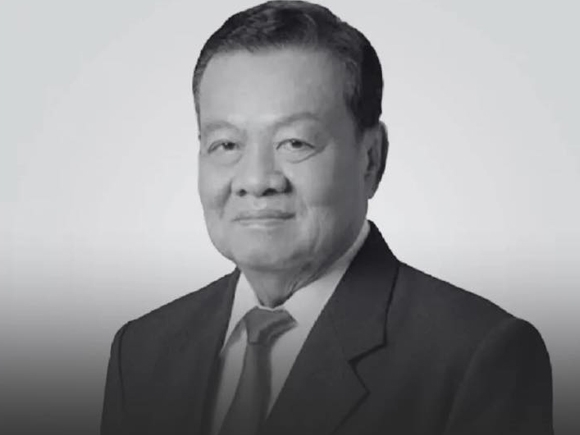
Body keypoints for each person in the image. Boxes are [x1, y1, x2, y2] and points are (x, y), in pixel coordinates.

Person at [100, 1, 553, 434]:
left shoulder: (476, 357)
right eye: (226, 144)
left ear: (371, 158)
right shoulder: (140, 352)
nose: (256, 180)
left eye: (295, 143)